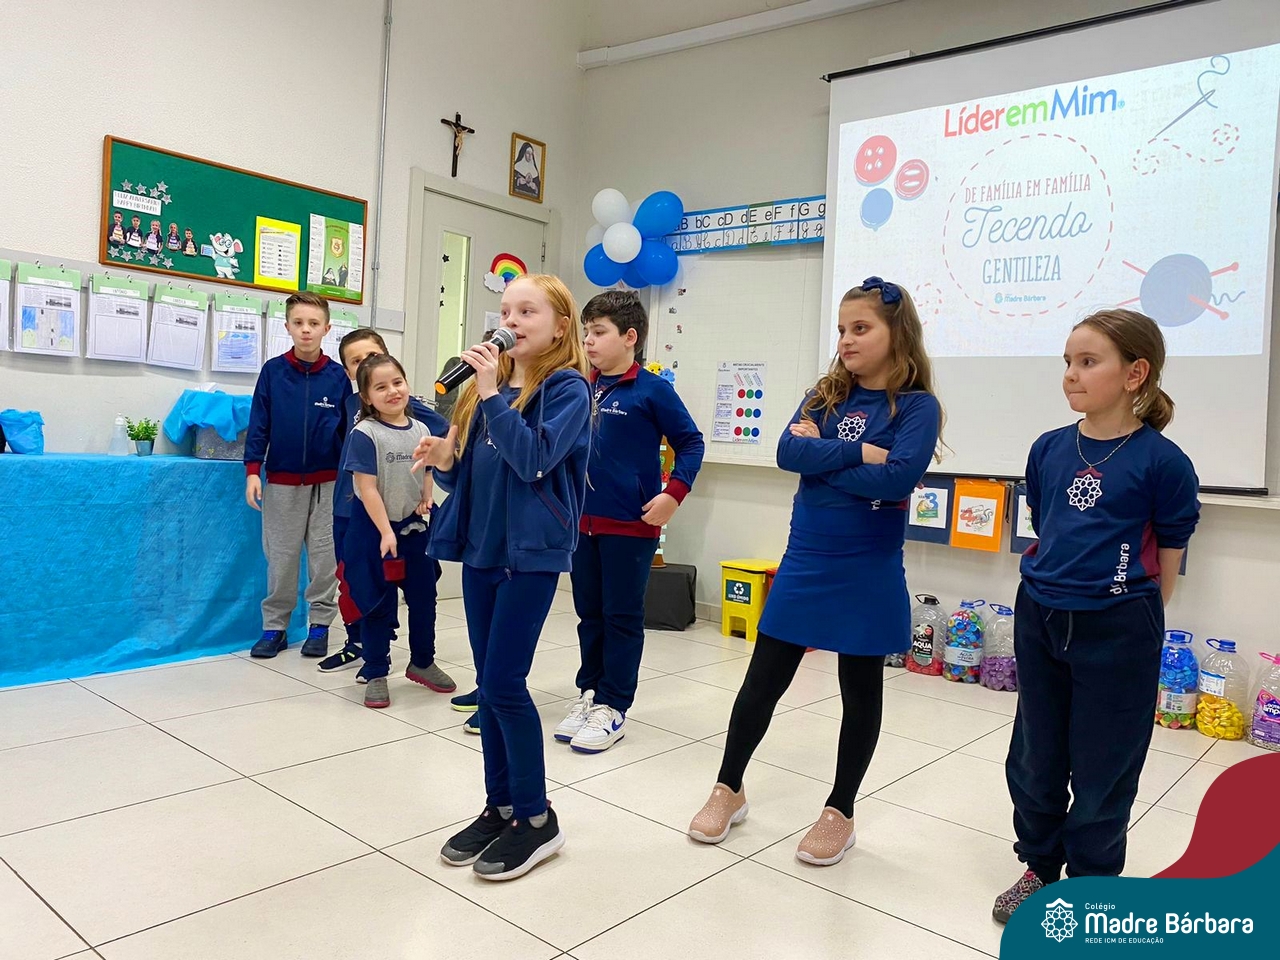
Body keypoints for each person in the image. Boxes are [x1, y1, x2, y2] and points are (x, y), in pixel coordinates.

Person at [687, 277, 942, 867]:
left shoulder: (917, 407)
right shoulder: (824, 395)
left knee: (861, 690)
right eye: (842, 329)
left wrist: (822, 456)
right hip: (807, 560)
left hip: (869, 566)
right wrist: (861, 453)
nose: (846, 340)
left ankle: (840, 810)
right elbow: (787, 453)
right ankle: (729, 786)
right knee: (762, 682)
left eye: (861, 328)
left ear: (896, 333)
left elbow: (898, 480)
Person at [993, 309, 1199, 922]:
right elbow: (1049, 525)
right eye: (1068, 362)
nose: (1071, 375)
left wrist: (1131, 614)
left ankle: (1089, 885)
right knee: (1036, 753)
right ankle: (1039, 865)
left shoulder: (1163, 462)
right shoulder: (1049, 448)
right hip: (1041, 614)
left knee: (1105, 762)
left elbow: (1168, 554)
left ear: (1135, 374)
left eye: (1088, 362)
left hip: (1119, 626)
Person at [413, 274, 590, 881]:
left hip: (531, 556)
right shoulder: (482, 393)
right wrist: (443, 462)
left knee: (506, 684)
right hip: (483, 552)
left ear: (560, 327)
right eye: (506, 311)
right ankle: (502, 806)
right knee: (488, 688)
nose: (511, 322)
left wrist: (490, 393)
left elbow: (534, 459)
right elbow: (468, 477)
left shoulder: (567, 389)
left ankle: (538, 819)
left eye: (527, 312)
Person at [555, 290, 704, 753]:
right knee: (589, 614)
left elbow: (691, 443)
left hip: (631, 525)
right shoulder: (580, 384)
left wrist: (673, 495)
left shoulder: (653, 390)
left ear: (629, 337)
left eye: (598, 332)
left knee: (621, 616)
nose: (588, 340)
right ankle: (589, 693)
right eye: (586, 331)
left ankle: (614, 705)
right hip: (581, 524)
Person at [319, 328, 451, 678]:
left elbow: (440, 447)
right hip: (353, 511)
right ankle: (361, 648)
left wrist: (428, 492)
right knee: (358, 583)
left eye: (373, 355)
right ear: (351, 374)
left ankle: (415, 658)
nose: (368, 363)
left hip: (405, 519)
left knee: (417, 589)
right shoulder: (352, 408)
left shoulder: (414, 415)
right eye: (357, 361)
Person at [244, 292, 350, 659]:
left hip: (329, 483)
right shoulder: (273, 372)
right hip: (282, 481)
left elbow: (347, 431)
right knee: (281, 558)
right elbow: (259, 423)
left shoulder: (338, 377)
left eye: (314, 324)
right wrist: (253, 470)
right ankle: (275, 627)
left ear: (327, 329)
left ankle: (319, 625)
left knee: (324, 559)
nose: (306, 330)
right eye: (299, 323)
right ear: (288, 326)